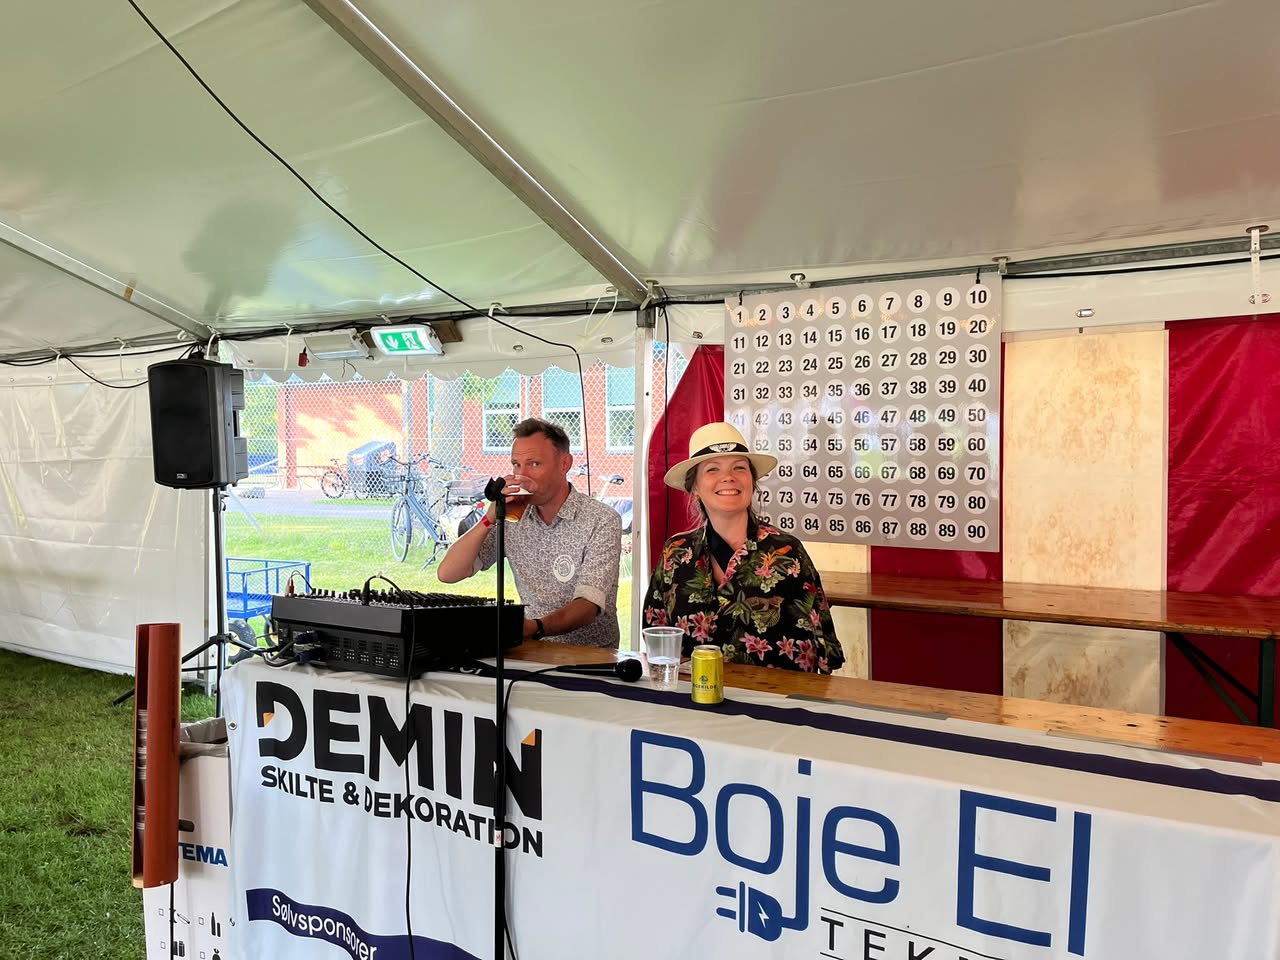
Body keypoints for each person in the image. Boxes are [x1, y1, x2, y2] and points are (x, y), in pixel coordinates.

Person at [643, 422, 844, 673]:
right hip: (694, 691)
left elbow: (824, 644)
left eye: (739, 467)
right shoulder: (677, 551)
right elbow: (656, 633)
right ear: (695, 488)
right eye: (713, 469)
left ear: (752, 481)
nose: (728, 477)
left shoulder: (787, 552)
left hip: (775, 694)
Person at [438, 418, 622, 647]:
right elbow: (448, 573)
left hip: (590, 654)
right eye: (516, 465)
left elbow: (588, 607)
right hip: (532, 647)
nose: (521, 475)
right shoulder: (513, 515)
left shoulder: (601, 519)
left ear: (564, 464)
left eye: (534, 464)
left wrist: (535, 627)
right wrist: (489, 519)